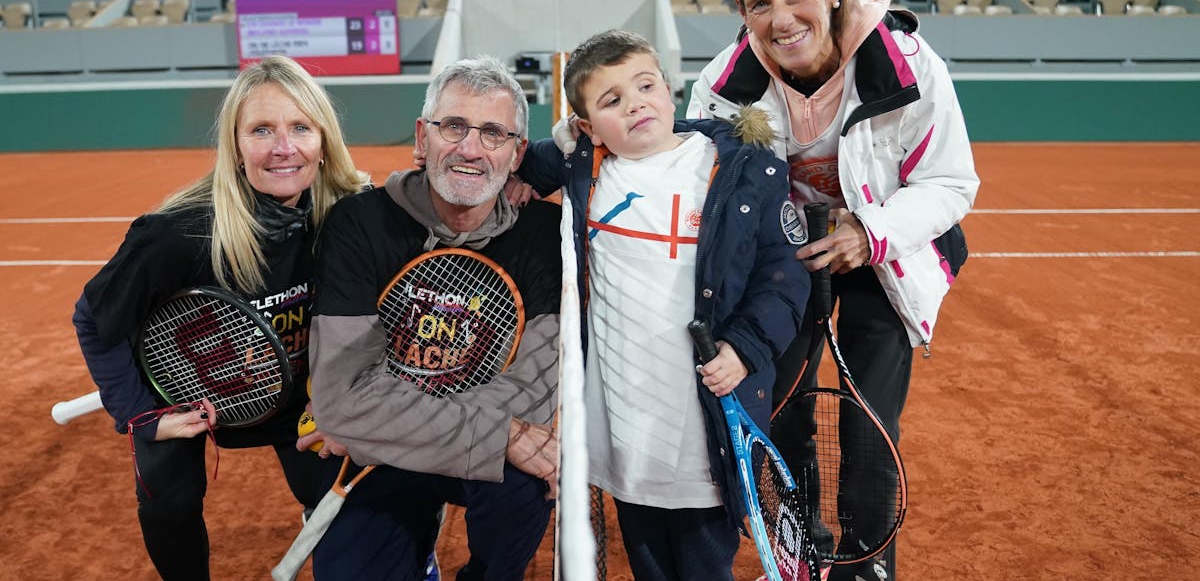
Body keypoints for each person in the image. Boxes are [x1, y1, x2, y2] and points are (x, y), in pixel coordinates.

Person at [684, 0, 980, 581]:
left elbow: (952, 182)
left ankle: (865, 565)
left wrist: (867, 234)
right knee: (781, 406)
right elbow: (693, 177)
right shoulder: (723, 84)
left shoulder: (907, 65)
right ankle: (799, 551)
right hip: (784, 262)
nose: (781, 18)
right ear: (741, 11)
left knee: (869, 422)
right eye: (759, 3)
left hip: (885, 252)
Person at [518, 30, 809, 581]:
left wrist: (745, 348)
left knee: (703, 563)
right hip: (624, 426)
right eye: (611, 101)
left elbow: (784, 277)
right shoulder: (584, 168)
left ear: (670, 90)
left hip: (704, 423)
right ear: (585, 127)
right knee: (649, 558)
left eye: (644, 85)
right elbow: (513, 165)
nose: (634, 104)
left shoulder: (745, 169)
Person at [71, 55, 370, 581]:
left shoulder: (347, 217)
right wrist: (141, 413)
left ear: (324, 140)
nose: (284, 147)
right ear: (235, 145)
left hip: (297, 392)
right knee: (171, 506)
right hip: (183, 385)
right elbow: (94, 319)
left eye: (300, 127)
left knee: (339, 495)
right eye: (261, 130)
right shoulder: (177, 234)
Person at [307, 55, 561, 581]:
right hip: (386, 456)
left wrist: (387, 423)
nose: (470, 148)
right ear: (422, 139)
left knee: (523, 490)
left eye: (493, 134)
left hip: (408, 435)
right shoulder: (359, 222)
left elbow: (535, 390)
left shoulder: (544, 234)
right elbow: (345, 398)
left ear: (517, 155)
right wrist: (502, 435)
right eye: (454, 127)